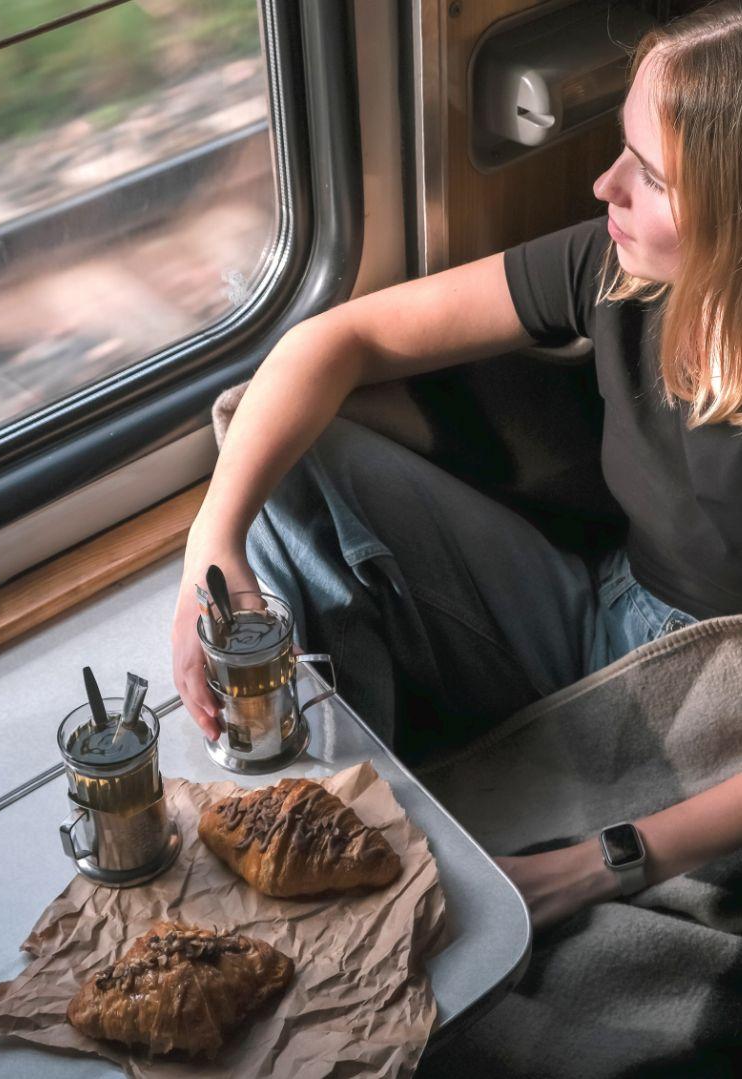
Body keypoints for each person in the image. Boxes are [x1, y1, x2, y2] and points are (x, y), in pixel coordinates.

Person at [172, 0, 742, 932]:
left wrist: (607, 862)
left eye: (648, 174)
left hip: (719, 710)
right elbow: (340, 338)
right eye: (619, 152)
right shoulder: (620, 270)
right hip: (596, 610)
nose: (603, 186)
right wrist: (212, 544)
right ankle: (343, 765)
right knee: (278, 436)